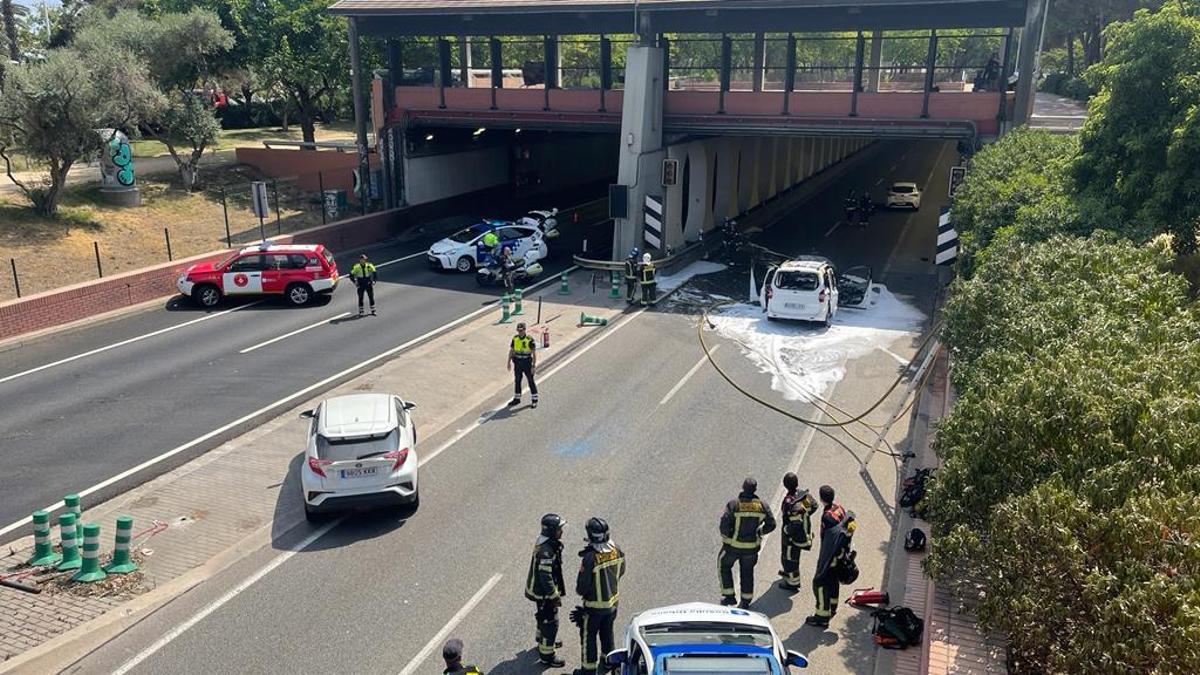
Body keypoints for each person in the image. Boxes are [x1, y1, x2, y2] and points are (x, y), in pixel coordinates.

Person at [574, 517, 625, 675]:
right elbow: (621, 571)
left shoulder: (590, 557)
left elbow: (582, 587)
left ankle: (588, 671)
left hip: (594, 608)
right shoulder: (616, 549)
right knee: (607, 632)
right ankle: (608, 661)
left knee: (589, 637)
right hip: (613, 604)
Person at [718, 477, 776, 609]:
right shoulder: (762, 506)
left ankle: (729, 596)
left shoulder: (734, 504)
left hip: (733, 546)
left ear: (743, 487)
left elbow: (724, 523)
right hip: (751, 548)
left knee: (723, 565)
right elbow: (772, 524)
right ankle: (745, 601)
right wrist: (760, 532)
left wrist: (726, 537)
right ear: (755, 490)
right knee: (747, 572)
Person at [806, 485, 856, 628]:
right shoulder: (839, 508)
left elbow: (830, 539)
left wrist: (824, 562)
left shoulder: (827, 517)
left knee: (820, 582)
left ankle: (822, 617)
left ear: (821, 498)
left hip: (832, 555)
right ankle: (833, 607)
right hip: (841, 554)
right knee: (833, 580)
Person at [526, 514, 567, 668]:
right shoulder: (546, 550)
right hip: (543, 593)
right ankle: (547, 655)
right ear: (551, 531)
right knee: (550, 622)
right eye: (559, 529)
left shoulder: (548, 544)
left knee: (543, 616)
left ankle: (541, 639)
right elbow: (545, 576)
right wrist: (554, 595)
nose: (561, 532)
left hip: (540, 591)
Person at [778, 473, 818, 591]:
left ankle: (793, 583)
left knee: (790, 560)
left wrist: (786, 531)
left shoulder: (789, 502)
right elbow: (814, 506)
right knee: (793, 557)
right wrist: (805, 515)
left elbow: (795, 523)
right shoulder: (803, 496)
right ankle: (791, 576)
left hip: (792, 538)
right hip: (802, 534)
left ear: (785, 485)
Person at [507, 322, 539, 408]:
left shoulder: (529, 339)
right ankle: (517, 398)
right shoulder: (515, 338)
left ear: (525, 330)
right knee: (517, 380)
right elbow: (512, 350)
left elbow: (534, 353)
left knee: (530, 381)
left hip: (527, 363)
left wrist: (533, 366)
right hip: (517, 362)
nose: (520, 332)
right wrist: (508, 362)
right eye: (519, 330)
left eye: (522, 330)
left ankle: (534, 399)